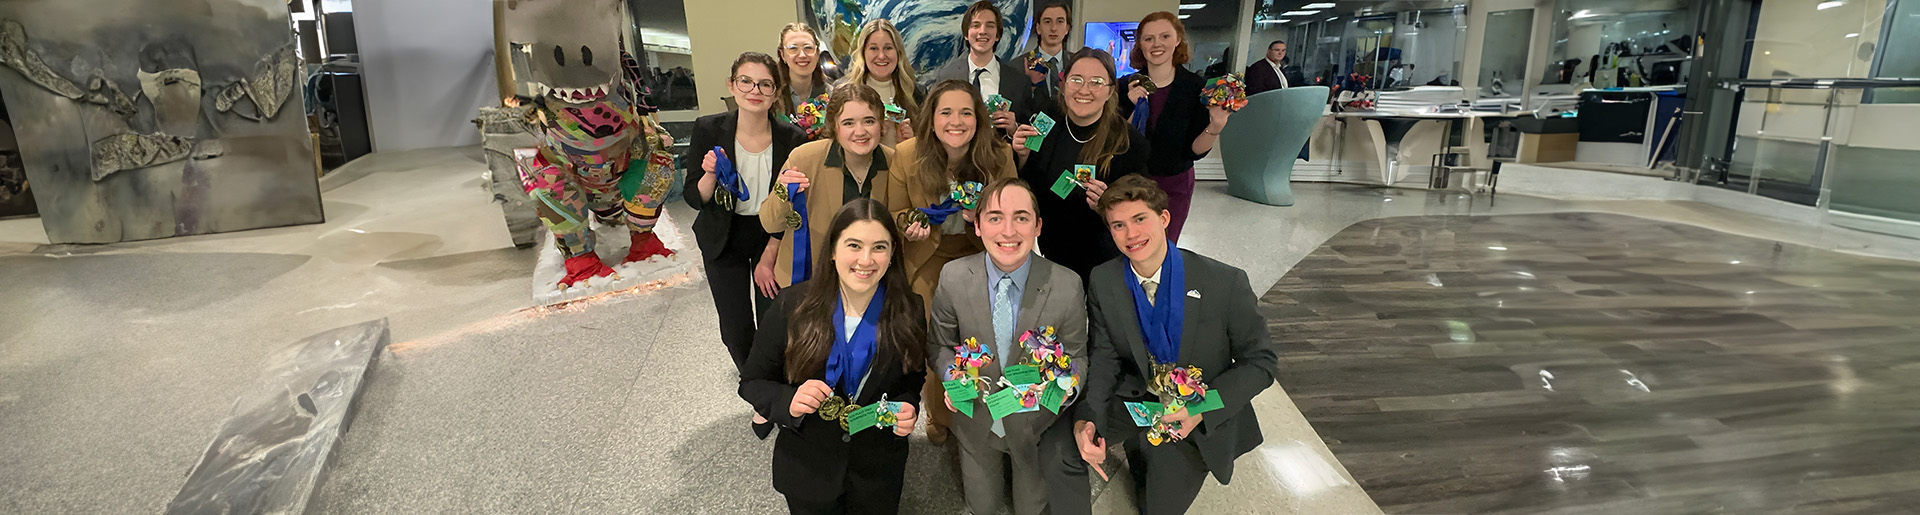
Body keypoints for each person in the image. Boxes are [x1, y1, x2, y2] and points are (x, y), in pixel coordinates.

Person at [1064, 175, 1279, 515]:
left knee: (1156, 505)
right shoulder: (1104, 279)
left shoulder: (1224, 282)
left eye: (1140, 219)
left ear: (1164, 219)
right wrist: (1088, 417)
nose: (1131, 234)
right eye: (1118, 225)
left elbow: (1261, 362)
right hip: (1136, 395)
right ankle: (1139, 449)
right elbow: (1103, 356)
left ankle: (1155, 458)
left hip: (1197, 410)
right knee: (1064, 443)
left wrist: (1201, 407)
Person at [739, 198, 928, 514]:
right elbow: (752, 382)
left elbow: (912, 377)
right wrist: (789, 401)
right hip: (808, 469)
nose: (866, 260)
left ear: (893, 253)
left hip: (877, 471)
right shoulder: (792, 307)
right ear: (832, 250)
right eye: (854, 245)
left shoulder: (910, 309)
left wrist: (909, 404)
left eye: (879, 247)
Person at [927, 178, 1086, 515]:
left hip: (1034, 422)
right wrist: (952, 377)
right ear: (979, 224)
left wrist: (1060, 389)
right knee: (982, 507)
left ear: (1038, 226)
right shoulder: (953, 277)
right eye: (996, 217)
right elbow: (939, 346)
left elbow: (1077, 357)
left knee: (1030, 508)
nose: (1009, 230)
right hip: (976, 419)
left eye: (1022, 217)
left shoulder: (1067, 284)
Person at [878, 79, 1017, 443]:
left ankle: (982, 414)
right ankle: (940, 417)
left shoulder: (999, 156)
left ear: (979, 119)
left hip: (980, 253)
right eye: (946, 112)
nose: (956, 121)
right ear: (932, 118)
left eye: (966, 113)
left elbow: (1015, 211)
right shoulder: (907, 154)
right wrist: (911, 225)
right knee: (938, 341)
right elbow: (894, 214)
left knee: (980, 338)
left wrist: (985, 217)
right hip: (927, 256)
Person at [683, 53, 810, 438]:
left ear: (776, 93)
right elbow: (694, 197)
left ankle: (773, 395)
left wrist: (770, 256)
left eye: (765, 84)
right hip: (724, 235)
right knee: (736, 329)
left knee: (775, 324)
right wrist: (707, 174)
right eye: (746, 82)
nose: (755, 91)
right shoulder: (708, 128)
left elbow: (790, 207)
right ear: (732, 86)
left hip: (771, 234)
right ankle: (760, 395)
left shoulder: (792, 138)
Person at [1009, 48, 1150, 279]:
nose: (1084, 90)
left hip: (1103, 258)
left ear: (1110, 91)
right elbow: (1027, 185)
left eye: (1096, 82)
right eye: (1076, 80)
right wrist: (1022, 156)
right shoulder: (1046, 120)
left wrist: (1110, 205)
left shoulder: (1129, 143)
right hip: (1045, 250)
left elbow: (1141, 209)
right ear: (1063, 85)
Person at [759, 83, 894, 289]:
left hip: (869, 279)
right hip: (810, 278)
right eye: (848, 123)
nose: (860, 131)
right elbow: (770, 223)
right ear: (835, 127)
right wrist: (782, 194)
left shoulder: (894, 163)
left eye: (869, 121)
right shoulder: (804, 158)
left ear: (881, 125)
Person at [1124, 11, 1234, 245]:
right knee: (1131, 246)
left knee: (1164, 247)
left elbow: (1195, 151)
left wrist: (1217, 124)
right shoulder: (1126, 85)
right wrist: (1135, 108)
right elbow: (1117, 141)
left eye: (1165, 36)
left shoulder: (1196, 88)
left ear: (1177, 40)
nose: (1156, 44)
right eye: (1148, 38)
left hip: (1173, 185)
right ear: (1140, 45)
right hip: (1130, 183)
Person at [931, 1, 1032, 137]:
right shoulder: (946, 77)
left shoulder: (1019, 81)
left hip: (1000, 155)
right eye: (975, 25)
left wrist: (1013, 128)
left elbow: (1029, 134)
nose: (982, 31)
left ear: (997, 35)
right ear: (966, 34)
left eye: (990, 25)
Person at [837, 19, 926, 148]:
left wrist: (912, 142)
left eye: (888, 48)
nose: (881, 56)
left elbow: (928, 147)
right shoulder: (843, 92)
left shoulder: (917, 93)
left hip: (901, 166)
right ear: (863, 53)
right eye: (873, 48)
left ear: (898, 52)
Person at [774, 23, 831, 128]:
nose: (802, 55)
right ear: (782, 55)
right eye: (793, 48)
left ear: (817, 53)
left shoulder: (833, 96)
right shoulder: (772, 98)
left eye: (808, 48)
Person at [1023, 3, 1074, 116]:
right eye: (1047, 21)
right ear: (1038, 28)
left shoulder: (1078, 63)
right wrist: (1029, 86)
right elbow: (1015, 109)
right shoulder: (1019, 65)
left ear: (1067, 28)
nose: (1053, 28)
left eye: (1060, 21)